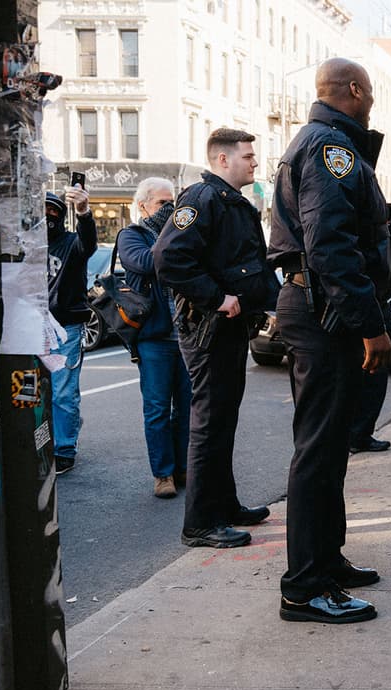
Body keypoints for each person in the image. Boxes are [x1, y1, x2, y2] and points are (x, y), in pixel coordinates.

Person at [268, 58, 391, 625]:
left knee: (330, 448)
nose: (373, 101)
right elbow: (331, 248)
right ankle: (303, 586)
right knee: (318, 451)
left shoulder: (326, 142)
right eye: (370, 92)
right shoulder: (330, 149)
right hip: (325, 313)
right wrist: (369, 323)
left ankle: (327, 560)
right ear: (354, 90)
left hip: (321, 308)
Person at [153, 128, 277, 549]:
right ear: (222, 160)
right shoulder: (201, 200)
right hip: (208, 329)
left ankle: (224, 505)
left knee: (223, 420)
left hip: (228, 330)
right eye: (247, 156)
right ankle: (201, 523)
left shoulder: (230, 203)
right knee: (209, 424)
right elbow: (168, 257)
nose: (254, 162)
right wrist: (216, 298)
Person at [118, 177, 191, 499]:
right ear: (143, 205)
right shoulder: (131, 235)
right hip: (154, 336)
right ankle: (163, 473)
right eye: (163, 203)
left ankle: (183, 466)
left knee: (188, 407)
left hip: (187, 335)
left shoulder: (177, 235)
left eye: (172, 202)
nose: (170, 209)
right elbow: (148, 262)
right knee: (158, 407)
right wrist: (176, 238)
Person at [46, 185, 98, 474]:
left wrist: (83, 211)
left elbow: (88, 242)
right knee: (30, 394)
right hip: (30, 332)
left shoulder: (72, 243)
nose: (47, 215)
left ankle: (64, 448)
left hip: (65, 328)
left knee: (62, 393)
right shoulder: (25, 244)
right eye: (42, 210)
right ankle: (43, 441)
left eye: (53, 210)